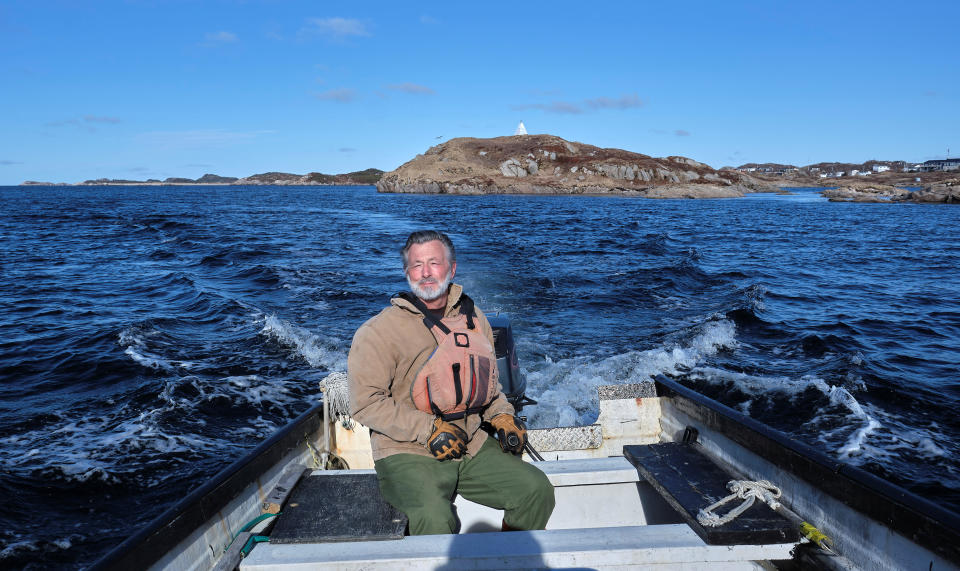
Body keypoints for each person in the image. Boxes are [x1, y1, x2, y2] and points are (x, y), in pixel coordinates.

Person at [347, 230, 555, 535]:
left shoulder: (475, 319)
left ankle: (508, 560)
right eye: (417, 265)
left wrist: (502, 415)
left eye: (434, 262)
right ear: (407, 273)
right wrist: (428, 429)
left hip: (471, 443)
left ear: (452, 268)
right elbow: (365, 403)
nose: (426, 273)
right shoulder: (378, 331)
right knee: (433, 519)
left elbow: (489, 387)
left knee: (536, 491)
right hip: (407, 450)